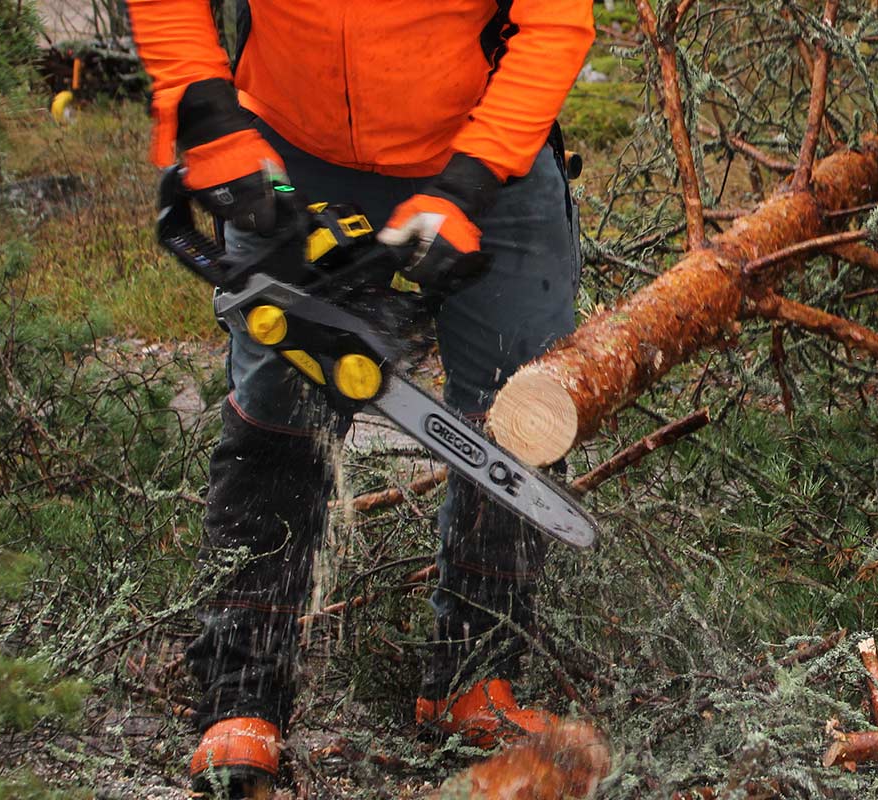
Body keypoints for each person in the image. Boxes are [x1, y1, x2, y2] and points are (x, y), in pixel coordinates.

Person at [125, 1, 595, 794]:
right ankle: (242, 696)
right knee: (280, 405)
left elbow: (553, 21)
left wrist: (473, 178)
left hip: (484, 138)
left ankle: (473, 680)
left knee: (519, 407)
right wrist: (206, 107)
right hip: (291, 141)